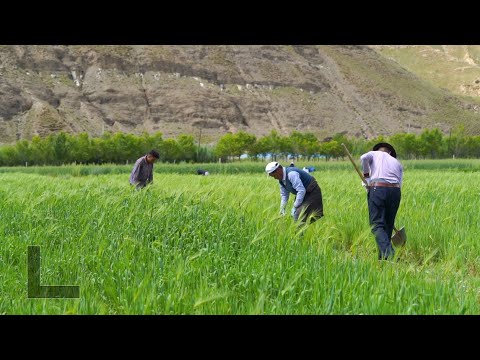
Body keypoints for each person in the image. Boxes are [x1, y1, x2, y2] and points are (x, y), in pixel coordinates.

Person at [360, 142, 403, 260]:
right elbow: (400, 183)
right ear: (390, 153)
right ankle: (383, 260)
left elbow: (363, 158)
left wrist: (367, 177)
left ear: (378, 150)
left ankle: (390, 254)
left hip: (378, 188)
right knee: (388, 225)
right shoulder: (397, 163)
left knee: (376, 224)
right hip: (395, 192)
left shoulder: (374, 154)